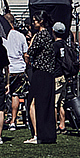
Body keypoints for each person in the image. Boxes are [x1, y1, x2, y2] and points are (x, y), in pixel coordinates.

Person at [24, 11, 57, 144]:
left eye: (35, 20)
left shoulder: (40, 36)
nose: (33, 23)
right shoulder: (48, 35)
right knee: (47, 103)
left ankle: (37, 134)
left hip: (40, 72)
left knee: (33, 102)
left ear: (41, 21)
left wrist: (31, 41)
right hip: (48, 73)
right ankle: (46, 133)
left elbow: (29, 53)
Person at [4, 12, 28, 131]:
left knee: (1, 95)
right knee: (16, 95)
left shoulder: (2, 36)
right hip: (19, 68)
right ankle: (13, 121)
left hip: (7, 69)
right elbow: (25, 54)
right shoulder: (20, 36)